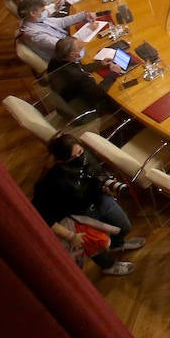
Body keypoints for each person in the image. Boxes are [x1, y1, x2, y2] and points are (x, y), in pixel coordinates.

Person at [31, 133, 143, 276]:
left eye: (80, 152)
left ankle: (117, 245)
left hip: (99, 199)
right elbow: (43, 215)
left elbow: (97, 174)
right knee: (96, 247)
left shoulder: (85, 156)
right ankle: (108, 267)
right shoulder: (50, 184)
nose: (79, 158)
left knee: (123, 226)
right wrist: (70, 236)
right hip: (79, 216)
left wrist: (105, 186)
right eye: (72, 157)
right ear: (60, 161)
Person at [44, 37, 118, 123]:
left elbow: (79, 68)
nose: (83, 48)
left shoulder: (56, 60)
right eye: (80, 48)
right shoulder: (79, 77)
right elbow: (100, 93)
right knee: (116, 100)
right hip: (84, 110)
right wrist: (113, 74)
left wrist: (100, 64)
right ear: (72, 54)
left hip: (68, 98)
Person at [17, 0, 96, 63]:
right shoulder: (34, 35)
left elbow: (62, 21)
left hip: (69, 41)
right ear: (33, 13)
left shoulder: (36, 20)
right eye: (43, 10)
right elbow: (66, 47)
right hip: (67, 57)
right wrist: (88, 30)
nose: (46, 12)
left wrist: (84, 15)